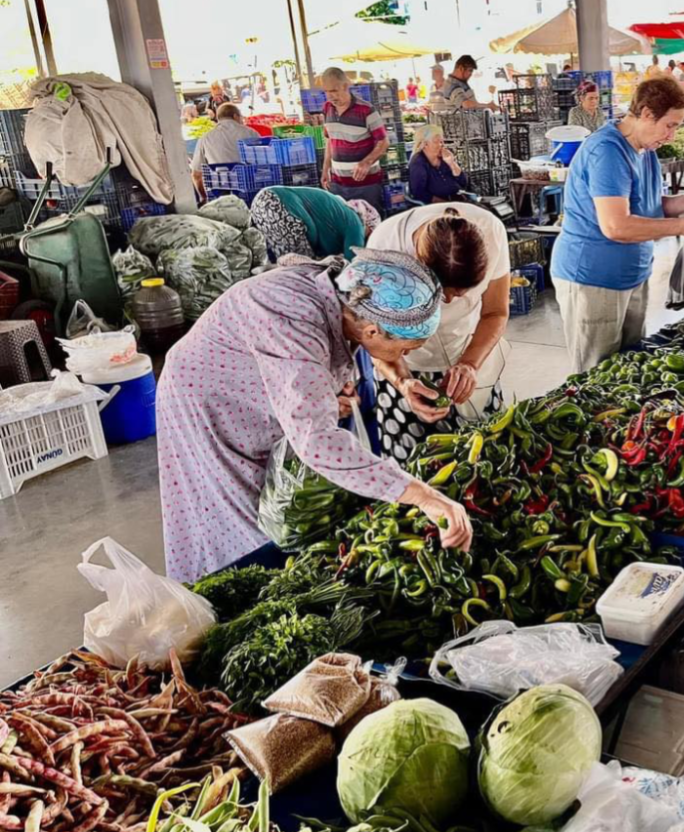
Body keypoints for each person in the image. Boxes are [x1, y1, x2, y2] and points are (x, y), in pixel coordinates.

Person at [156, 249, 472, 582]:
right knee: (241, 519)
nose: (404, 356)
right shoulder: (290, 318)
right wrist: (422, 496)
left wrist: (401, 383)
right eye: (405, 351)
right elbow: (316, 441)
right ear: (373, 333)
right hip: (206, 401)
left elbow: (312, 365)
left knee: (272, 503)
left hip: (245, 388)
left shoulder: (350, 292)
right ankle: (222, 597)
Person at [550, 77, 684, 372]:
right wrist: (681, 228)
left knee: (628, 371)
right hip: (594, 279)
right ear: (646, 114)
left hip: (632, 276)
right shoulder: (607, 152)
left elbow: (650, 206)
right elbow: (617, 226)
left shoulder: (645, 151)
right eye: (670, 125)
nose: (672, 136)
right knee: (596, 377)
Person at [367, 205, 510, 458]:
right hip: (407, 367)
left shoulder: (492, 231)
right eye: (442, 291)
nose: (448, 301)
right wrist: (403, 382)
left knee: (489, 459)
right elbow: (372, 338)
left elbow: (495, 313)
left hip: (472, 357)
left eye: (461, 293)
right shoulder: (384, 250)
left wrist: (470, 364)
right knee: (416, 468)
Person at [320, 66, 388, 212]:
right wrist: (325, 168)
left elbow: (383, 142)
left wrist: (366, 162)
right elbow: (329, 140)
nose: (330, 96)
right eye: (326, 92)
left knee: (370, 225)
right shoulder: (326, 109)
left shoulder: (366, 110)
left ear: (345, 86)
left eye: (334, 91)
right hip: (338, 184)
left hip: (366, 184)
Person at [249, 186, 378, 261]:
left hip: (262, 201)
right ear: (368, 221)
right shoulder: (356, 222)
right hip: (278, 203)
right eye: (371, 232)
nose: (368, 238)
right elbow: (353, 263)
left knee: (288, 263)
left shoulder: (338, 214)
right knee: (300, 269)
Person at [189, 103, 256, 197]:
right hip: (251, 190)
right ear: (235, 116)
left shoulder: (205, 138)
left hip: (220, 194)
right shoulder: (251, 133)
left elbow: (196, 175)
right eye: (241, 117)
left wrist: (204, 198)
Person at [408, 124, 471, 205]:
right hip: (436, 207)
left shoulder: (444, 157)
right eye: (436, 141)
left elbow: (463, 182)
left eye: (441, 141)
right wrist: (447, 204)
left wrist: (452, 163)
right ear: (425, 144)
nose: (441, 145)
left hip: (458, 200)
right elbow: (419, 193)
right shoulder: (418, 163)